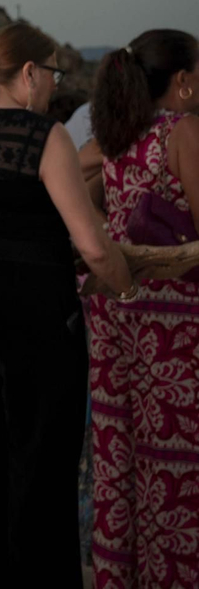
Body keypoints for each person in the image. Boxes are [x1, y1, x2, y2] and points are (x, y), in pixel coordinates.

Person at [0, 23, 135, 586]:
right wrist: (127, 287)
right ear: (28, 73)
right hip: (32, 315)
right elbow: (94, 247)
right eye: (52, 72)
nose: (53, 83)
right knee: (42, 463)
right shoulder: (42, 136)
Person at [85, 30, 199, 588]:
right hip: (175, 324)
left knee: (120, 458)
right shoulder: (181, 132)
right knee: (175, 464)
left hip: (116, 316)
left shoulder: (114, 135)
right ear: (181, 81)